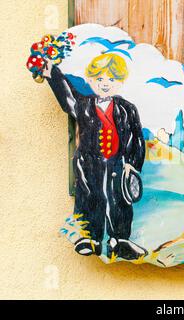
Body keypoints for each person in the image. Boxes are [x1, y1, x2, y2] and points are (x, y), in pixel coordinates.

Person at [43, 53, 147, 260]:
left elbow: (137, 138)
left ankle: (120, 240)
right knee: (92, 196)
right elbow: (68, 98)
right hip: (90, 163)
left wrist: (132, 164)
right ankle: (91, 238)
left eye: (111, 79)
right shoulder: (84, 106)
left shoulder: (127, 109)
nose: (105, 84)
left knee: (120, 199)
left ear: (120, 82)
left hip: (119, 163)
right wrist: (51, 73)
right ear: (90, 81)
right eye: (99, 79)